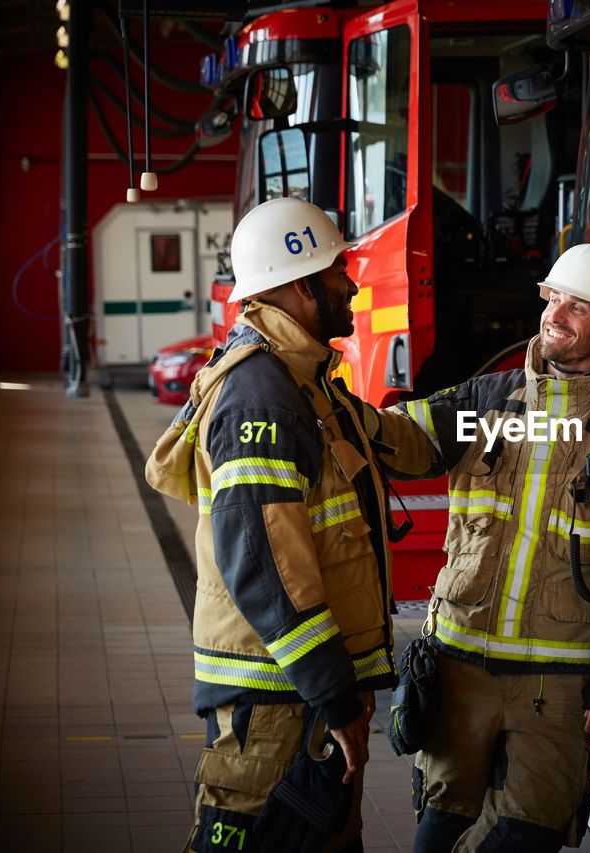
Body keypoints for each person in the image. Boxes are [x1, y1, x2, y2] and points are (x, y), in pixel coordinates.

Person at [145, 196, 436, 852]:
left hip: (303, 690)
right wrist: (336, 695)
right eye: (339, 274)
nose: (355, 287)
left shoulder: (307, 385)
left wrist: (499, 409)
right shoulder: (261, 395)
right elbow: (264, 564)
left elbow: (395, 436)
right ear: (301, 286)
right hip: (280, 698)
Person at [393, 241, 590, 852]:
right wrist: (323, 413)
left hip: (559, 680)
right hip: (459, 662)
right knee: (440, 824)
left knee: (528, 834)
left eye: (579, 306)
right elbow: (397, 439)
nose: (557, 314)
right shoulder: (486, 402)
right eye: (554, 299)